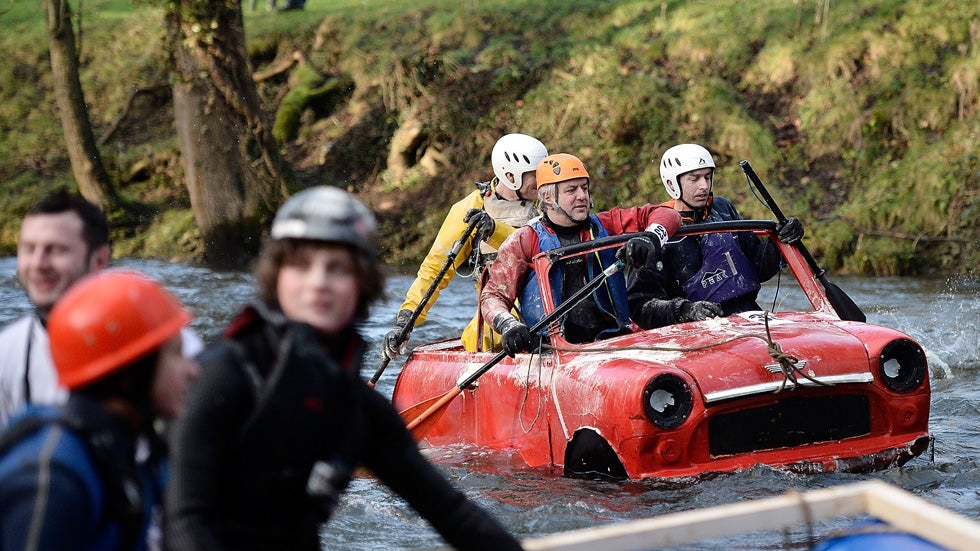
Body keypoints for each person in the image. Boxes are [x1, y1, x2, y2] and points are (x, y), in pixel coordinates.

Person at [165, 186, 523, 551]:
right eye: (302, 266)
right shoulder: (220, 379)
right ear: (276, 279)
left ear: (362, 285)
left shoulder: (355, 409)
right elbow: (183, 523)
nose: (319, 282)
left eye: (337, 269)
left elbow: (452, 514)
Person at [0, 270, 200, 550]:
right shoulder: (53, 478)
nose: (193, 370)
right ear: (129, 375)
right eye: (176, 354)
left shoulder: (129, 450)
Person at [0, 190, 202, 429]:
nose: (37, 264)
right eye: (28, 249)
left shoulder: (166, 343)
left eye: (56, 250)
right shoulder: (7, 354)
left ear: (99, 259)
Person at [480, 153, 682, 355]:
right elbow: (493, 296)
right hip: (552, 351)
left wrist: (651, 237)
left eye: (584, 188)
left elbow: (669, 213)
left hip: (613, 341)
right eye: (571, 190)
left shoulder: (606, 224)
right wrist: (508, 325)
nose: (582, 196)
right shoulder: (525, 239)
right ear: (548, 197)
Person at [382, 133, 548, 360]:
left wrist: (495, 231)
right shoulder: (469, 209)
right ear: (511, 176)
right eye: (535, 175)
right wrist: (406, 321)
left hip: (550, 316)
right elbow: (435, 270)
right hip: (498, 328)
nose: (542, 181)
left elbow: (543, 243)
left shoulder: (550, 202)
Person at [627, 143, 805, 329]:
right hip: (692, 331)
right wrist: (685, 310)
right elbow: (639, 306)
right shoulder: (656, 232)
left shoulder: (722, 209)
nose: (704, 186)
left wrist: (778, 241)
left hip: (746, 316)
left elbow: (758, 267)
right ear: (672, 184)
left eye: (707, 177)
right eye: (694, 179)